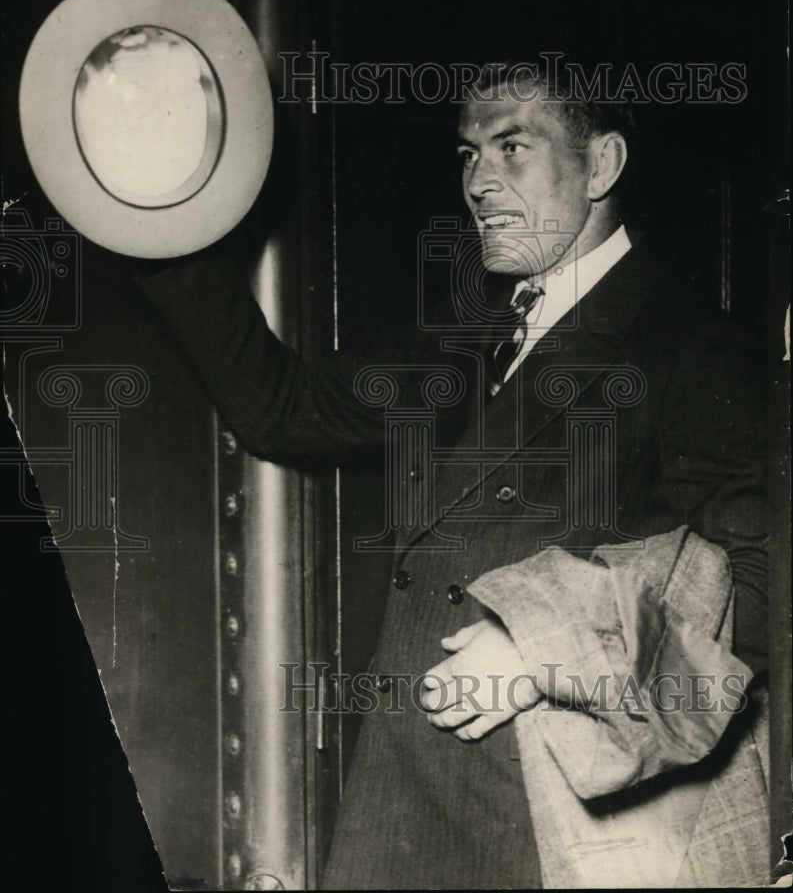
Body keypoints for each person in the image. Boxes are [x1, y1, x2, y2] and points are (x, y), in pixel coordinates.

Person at [136, 63, 768, 888]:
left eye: (513, 146)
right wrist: (152, 212)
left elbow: (766, 591)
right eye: (468, 154)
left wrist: (546, 651)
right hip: (411, 809)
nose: (478, 181)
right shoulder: (467, 334)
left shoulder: (690, 348)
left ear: (603, 165)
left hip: (560, 831)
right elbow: (283, 409)